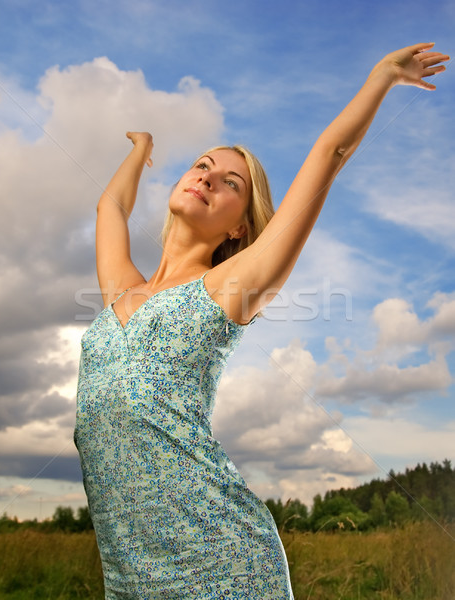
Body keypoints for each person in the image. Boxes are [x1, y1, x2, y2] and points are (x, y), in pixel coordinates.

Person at [75, 43, 448, 599]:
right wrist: (142, 147)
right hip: (130, 576)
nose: (208, 177)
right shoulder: (119, 291)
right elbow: (110, 209)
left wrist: (384, 77)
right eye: (203, 165)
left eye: (231, 182)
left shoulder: (228, 289)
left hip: (222, 564)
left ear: (239, 231)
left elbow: (330, 153)